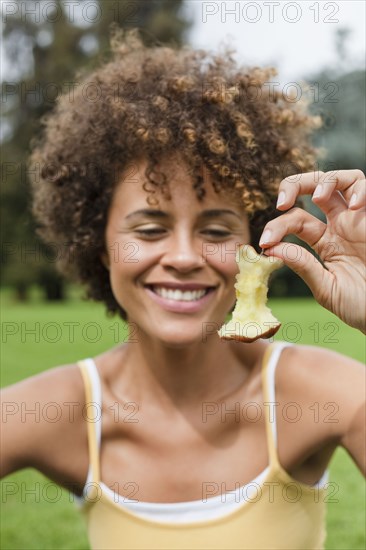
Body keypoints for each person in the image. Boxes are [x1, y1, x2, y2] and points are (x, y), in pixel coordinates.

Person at [1, 29, 365, 550]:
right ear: (98, 244)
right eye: (148, 229)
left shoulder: (320, 395)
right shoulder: (62, 410)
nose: (184, 256)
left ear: (255, 243)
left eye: (217, 231)